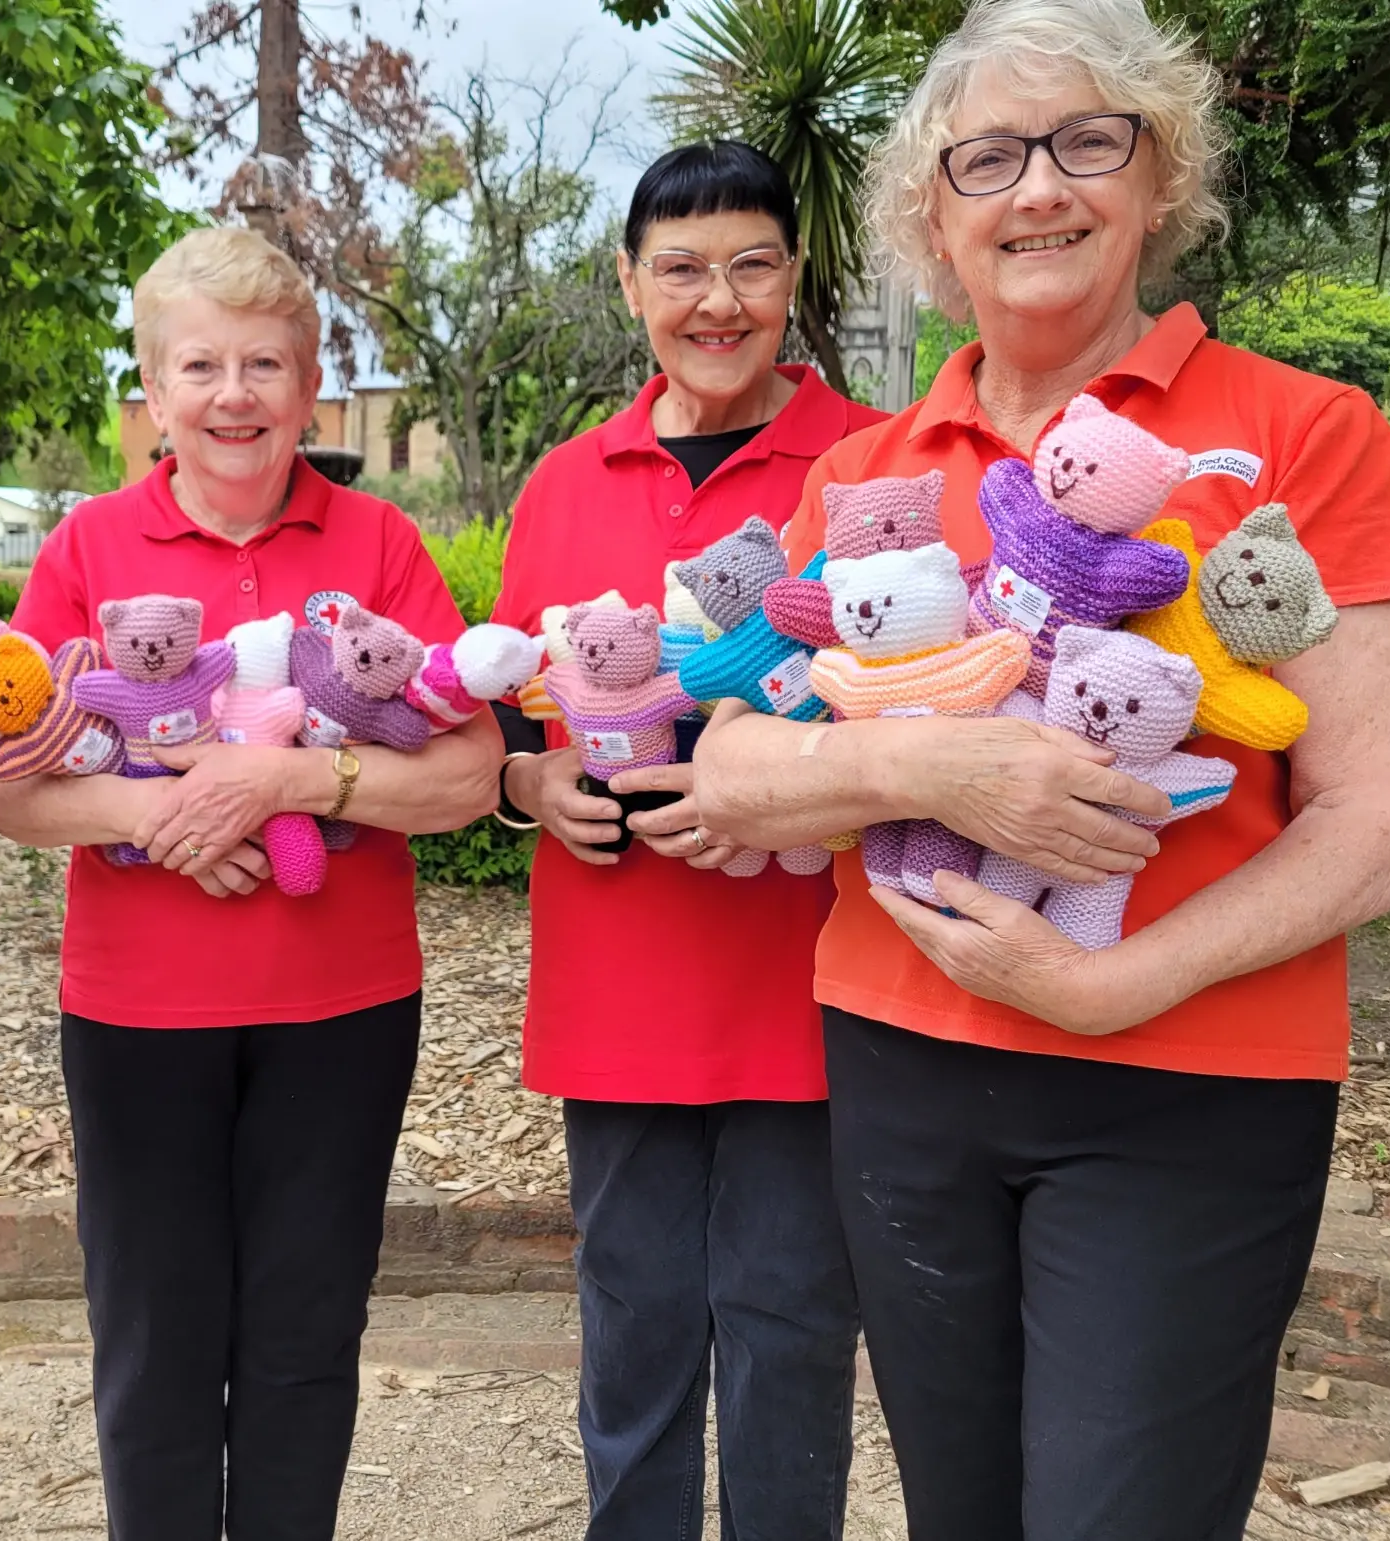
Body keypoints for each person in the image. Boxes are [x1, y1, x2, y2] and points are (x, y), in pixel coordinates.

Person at [691, 2, 1390, 1536]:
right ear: (935, 213)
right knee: (960, 1512)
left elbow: (1385, 826)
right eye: (986, 158)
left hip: (1186, 1078)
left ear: (1159, 176)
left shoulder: (1300, 436)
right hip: (906, 1073)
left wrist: (1120, 983)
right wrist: (948, 758)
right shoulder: (867, 473)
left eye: (1084, 142)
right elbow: (728, 773)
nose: (1035, 188)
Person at [0, 225, 503, 1540]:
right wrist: (167, 810)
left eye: (265, 362)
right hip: (138, 1017)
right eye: (199, 364)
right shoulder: (90, 545)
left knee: (306, 1339)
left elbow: (471, 773)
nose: (234, 395)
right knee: (153, 1345)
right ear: (151, 392)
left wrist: (287, 785)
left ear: (311, 385)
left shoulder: (373, 542)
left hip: (343, 1009)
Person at [488, 141, 877, 1538]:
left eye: (751, 265)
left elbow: (917, 703)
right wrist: (529, 791)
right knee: (635, 1322)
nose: (718, 301)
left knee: (790, 1325)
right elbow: (515, 718)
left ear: (795, 276)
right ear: (631, 284)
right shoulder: (564, 481)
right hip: (620, 979)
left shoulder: (870, 465)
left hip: (815, 980)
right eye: (681, 270)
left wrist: (785, 788)